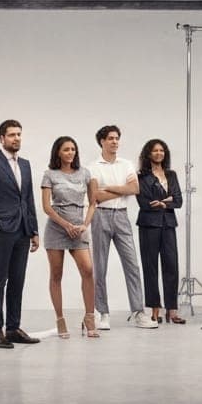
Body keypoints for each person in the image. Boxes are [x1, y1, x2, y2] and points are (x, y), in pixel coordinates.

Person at [0, 120, 42, 348]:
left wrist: (34, 230)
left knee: (18, 279)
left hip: (23, 229)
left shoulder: (25, 164)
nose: (16, 138)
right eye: (12, 135)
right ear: (1, 138)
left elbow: (28, 199)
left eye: (19, 135)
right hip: (3, 231)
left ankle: (13, 328)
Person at [89, 125, 157, 329]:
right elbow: (95, 197)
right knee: (100, 267)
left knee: (132, 265)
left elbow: (134, 188)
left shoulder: (126, 164)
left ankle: (138, 312)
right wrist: (122, 190)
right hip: (99, 216)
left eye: (117, 138)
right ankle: (103, 313)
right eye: (110, 138)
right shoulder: (93, 167)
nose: (115, 142)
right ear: (102, 141)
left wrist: (108, 188)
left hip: (121, 216)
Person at [41, 136, 100, 338]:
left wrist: (84, 225)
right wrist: (66, 225)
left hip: (79, 229)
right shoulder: (50, 174)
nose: (70, 153)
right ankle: (60, 319)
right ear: (58, 152)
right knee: (56, 274)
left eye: (73, 149)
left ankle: (89, 317)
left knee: (88, 270)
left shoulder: (85, 173)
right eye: (66, 149)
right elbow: (47, 207)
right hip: (57, 228)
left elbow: (93, 203)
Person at [136, 138, 184, 326]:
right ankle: (155, 308)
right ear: (148, 154)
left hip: (168, 224)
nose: (159, 153)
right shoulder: (141, 176)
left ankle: (172, 310)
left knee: (171, 265)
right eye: (155, 150)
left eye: (162, 150)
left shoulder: (171, 175)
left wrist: (164, 202)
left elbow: (178, 200)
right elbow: (144, 202)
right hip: (149, 225)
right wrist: (168, 199)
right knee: (151, 267)